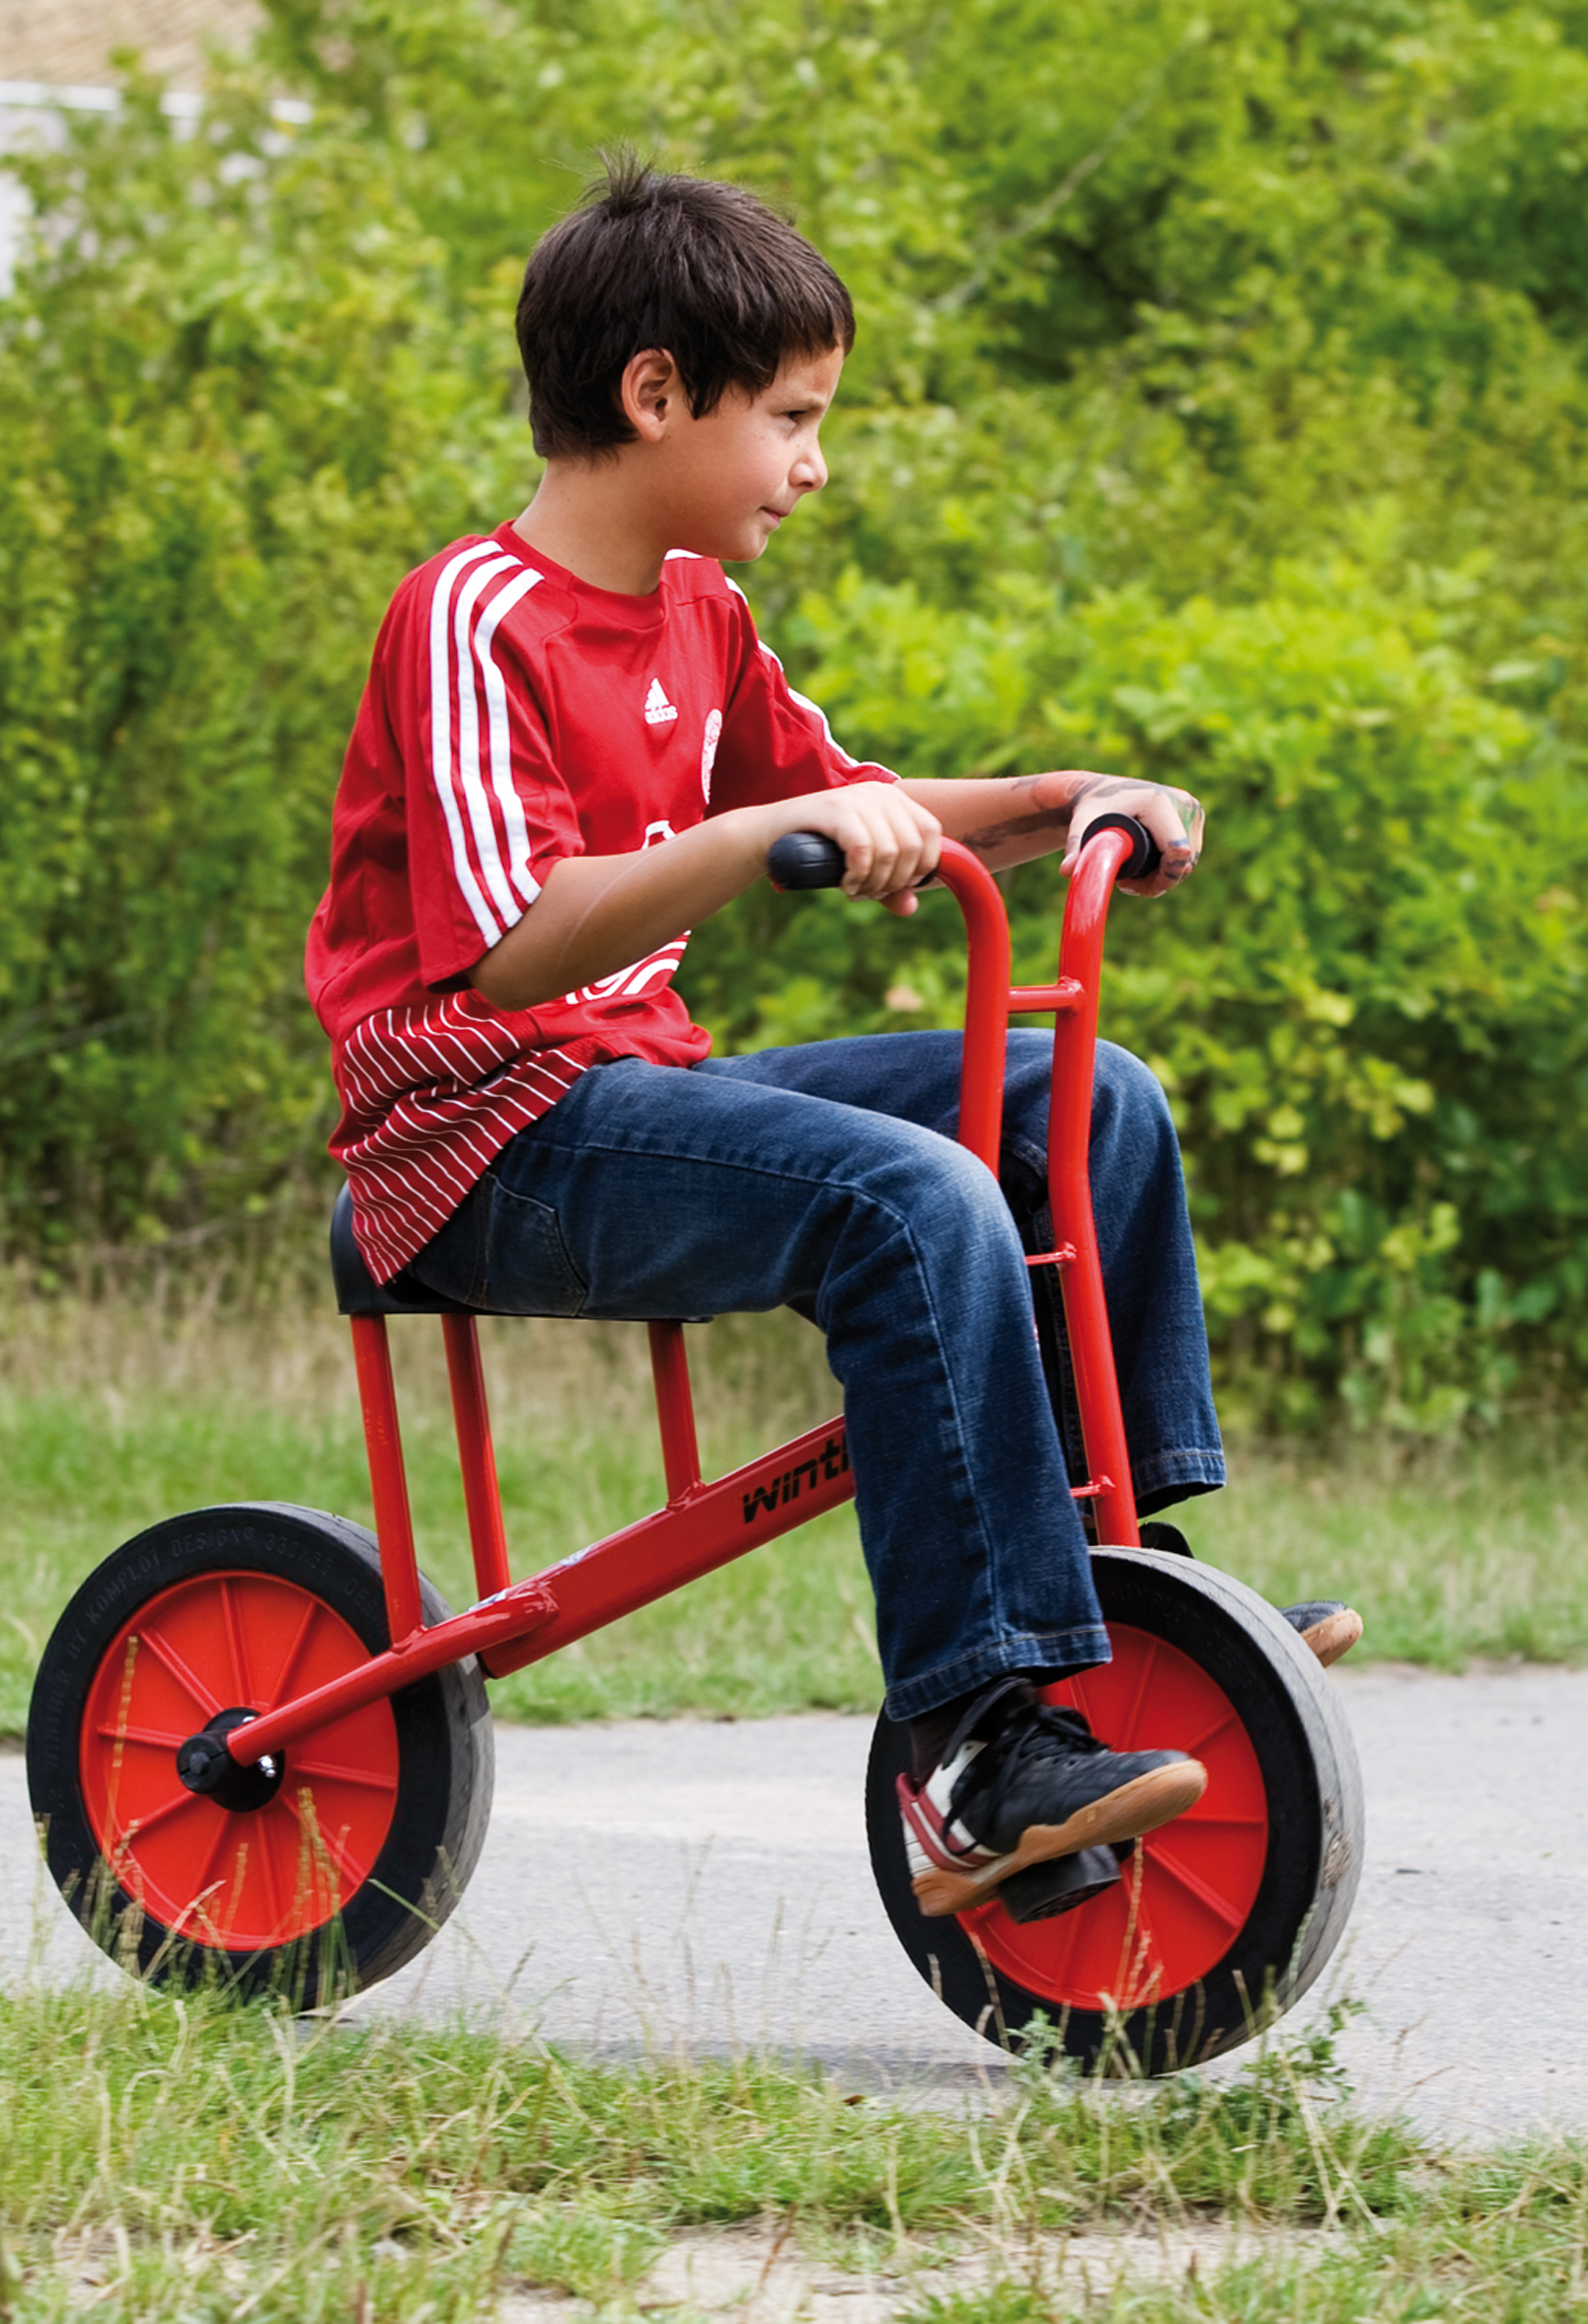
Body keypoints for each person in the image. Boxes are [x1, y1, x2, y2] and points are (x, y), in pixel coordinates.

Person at [306, 158, 1360, 1925]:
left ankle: (1121, 1576)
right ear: (656, 394)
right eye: (793, 418)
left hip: (631, 1092)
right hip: (485, 1147)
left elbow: (846, 799)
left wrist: (1062, 793)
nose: (814, 462)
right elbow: (507, 946)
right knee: (913, 1197)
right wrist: (729, 849)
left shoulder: (698, 617)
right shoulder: (471, 616)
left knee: (1090, 1100)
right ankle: (970, 1751)